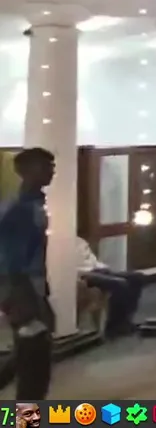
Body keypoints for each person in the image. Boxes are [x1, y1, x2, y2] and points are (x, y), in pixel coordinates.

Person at [0, 148, 57, 399]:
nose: (51, 171)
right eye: (44, 165)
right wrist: (26, 302)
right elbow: (11, 260)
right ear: (24, 171)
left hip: (31, 290)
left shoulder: (35, 204)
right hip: (21, 292)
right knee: (34, 368)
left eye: (52, 166)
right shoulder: (18, 209)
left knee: (26, 357)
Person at [76, 234, 145, 337]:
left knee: (137, 277)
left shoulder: (79, 241)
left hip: (98, 270)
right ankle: (114, 325)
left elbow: (92, 260)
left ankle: (126, 320)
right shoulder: (60, 246)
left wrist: (105, 269)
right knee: (119, 283)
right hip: (84, 274)